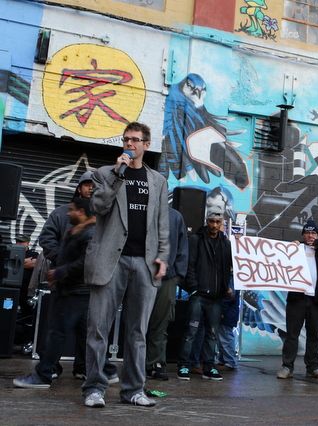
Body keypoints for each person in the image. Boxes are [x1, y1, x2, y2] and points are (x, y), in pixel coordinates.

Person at [82, 122, 169, 408]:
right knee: (98, 328)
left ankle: (133, 389)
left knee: (137, 332)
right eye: (126, 139)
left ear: (146, 144)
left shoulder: (157, 180)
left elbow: (162, 225)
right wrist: (118, 175)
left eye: (135, 140)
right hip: (111, 260)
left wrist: (163, 256)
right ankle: (94, 388)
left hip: (144, 263)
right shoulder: (105, 174)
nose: (129, 144)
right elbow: (98, 207)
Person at [13, 197, 95, 389]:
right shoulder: (80, 229)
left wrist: (60, 271)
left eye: (73, 210)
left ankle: (43, 374)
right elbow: (48, 238)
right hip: (72, 289)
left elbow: (86, 262)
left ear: (82, 212)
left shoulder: (89, 233)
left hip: (75, 290)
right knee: (85, 334)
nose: (68, 213)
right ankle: (104, 370)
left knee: (57, 332)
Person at [277, 219, 318, 379]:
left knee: (313, 334)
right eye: (307, 233)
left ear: (317, 235)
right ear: (303, 235)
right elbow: (279, 260)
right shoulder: (295, 249)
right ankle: (287, 367)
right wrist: (289, 248)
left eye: (313, 233)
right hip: (297, 298)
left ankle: (313, 367)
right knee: (292, 334)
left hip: (315, 300)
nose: (310, 236)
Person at [177, 206, 232, 381]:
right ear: (206, 222)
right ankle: (184, 365)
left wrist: (225, 287)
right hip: (199, 295)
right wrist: (193, 288)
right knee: (191, 332)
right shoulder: (196, 239)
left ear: (222, 223)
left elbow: (228, 268)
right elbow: (189, 265)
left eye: (218, 222)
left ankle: (209, 366)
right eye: (211, 221)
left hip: (216, 297)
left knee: (212, 334)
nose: (214, 225)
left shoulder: (226, 243)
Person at [145, 207, 188, 380]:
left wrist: (177, 275)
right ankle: (139, 363)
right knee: (137, 322)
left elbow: (183, 247)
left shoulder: (175, 216)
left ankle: (155, 363)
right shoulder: (142, 209)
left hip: (167, 278)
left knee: (161, 322)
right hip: (142, 274)